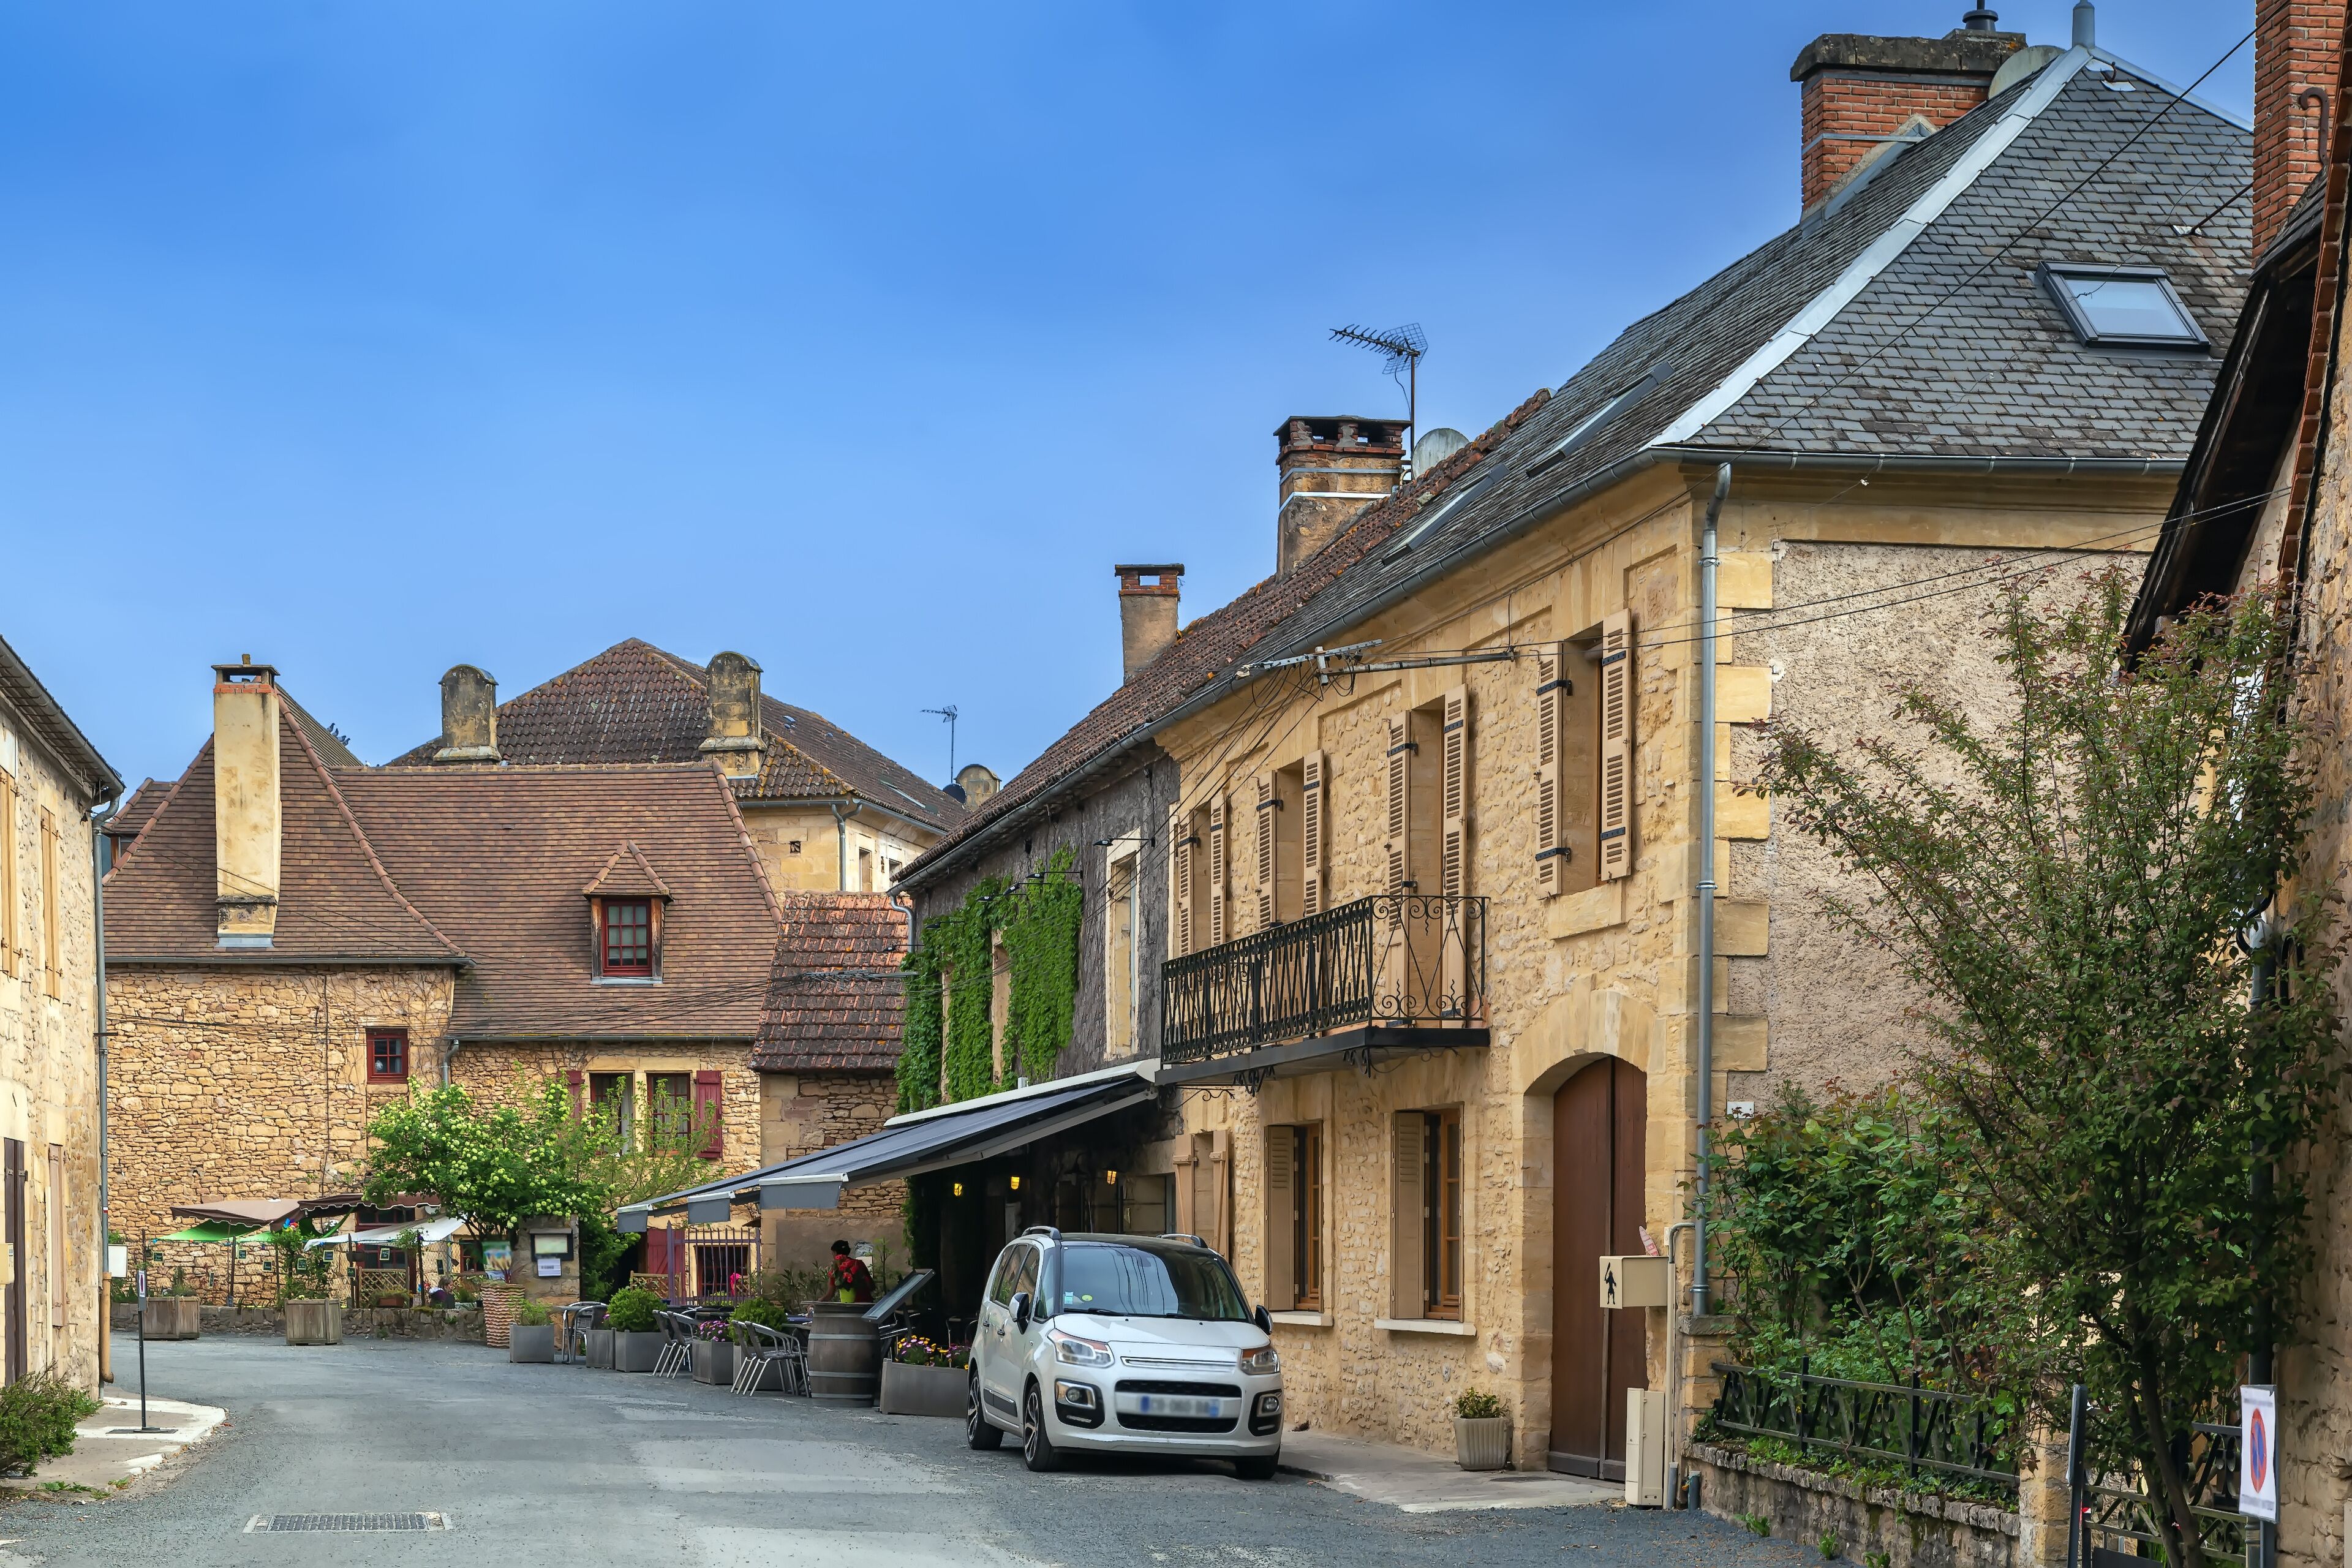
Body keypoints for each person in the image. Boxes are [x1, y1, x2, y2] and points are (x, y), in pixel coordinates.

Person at [829, 1240, 875, 1304]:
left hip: (850, 1307)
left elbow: (830, 1295)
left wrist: (818, 1302)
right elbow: (872, 1286)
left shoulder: (835, 1269)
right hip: (867, 1304)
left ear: (835, 1253)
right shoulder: (859, 1263)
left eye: (832, 1254)